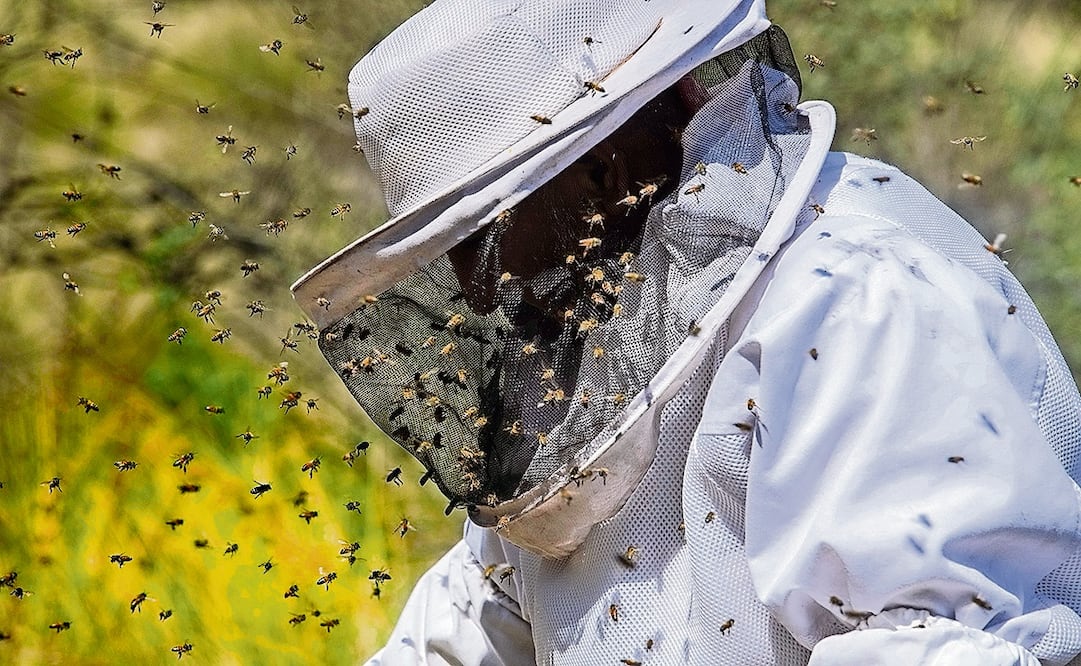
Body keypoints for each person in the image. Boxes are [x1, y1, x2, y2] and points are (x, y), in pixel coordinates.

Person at [292, 1, 1081, 664]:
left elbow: (939, 643)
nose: (473, 287)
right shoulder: (596, 338)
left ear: (602, 173)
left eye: (479, 239)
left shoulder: (854, 292)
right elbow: (486, 603)